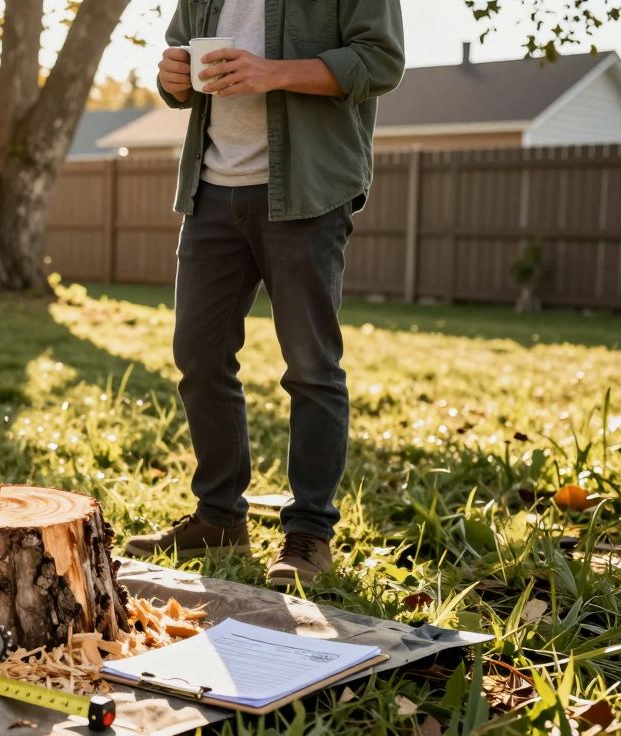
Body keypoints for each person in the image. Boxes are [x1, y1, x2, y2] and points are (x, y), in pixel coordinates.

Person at [122, 0, 406, 586]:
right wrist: (171, 78)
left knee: (310, 366)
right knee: (199, 356)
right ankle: (220, 517)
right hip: (210, 191)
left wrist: (272, 72)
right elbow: (179, 71)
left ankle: (309, 534)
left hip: (306, 191)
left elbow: (380, 61)